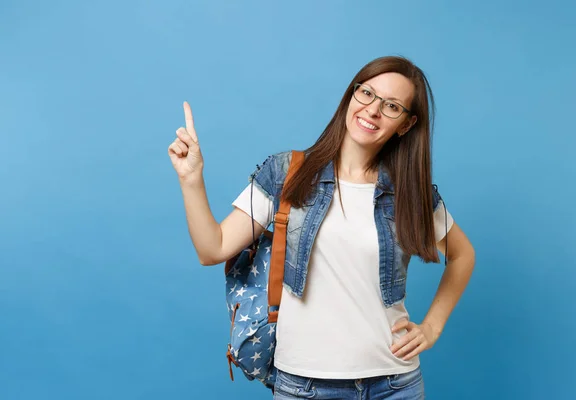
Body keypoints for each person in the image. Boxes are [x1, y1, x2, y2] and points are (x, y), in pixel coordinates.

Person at [168, 55, 476, 399]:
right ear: (351, 96)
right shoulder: (287, 173)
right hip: (304, 386)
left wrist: (432, 327)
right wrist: (191, 178)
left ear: (405, 124)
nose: (373, 110)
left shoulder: (410, 192)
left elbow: (463, 255)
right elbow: (213, 248)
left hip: (394, 384)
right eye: (367, 94)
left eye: (392, 106)